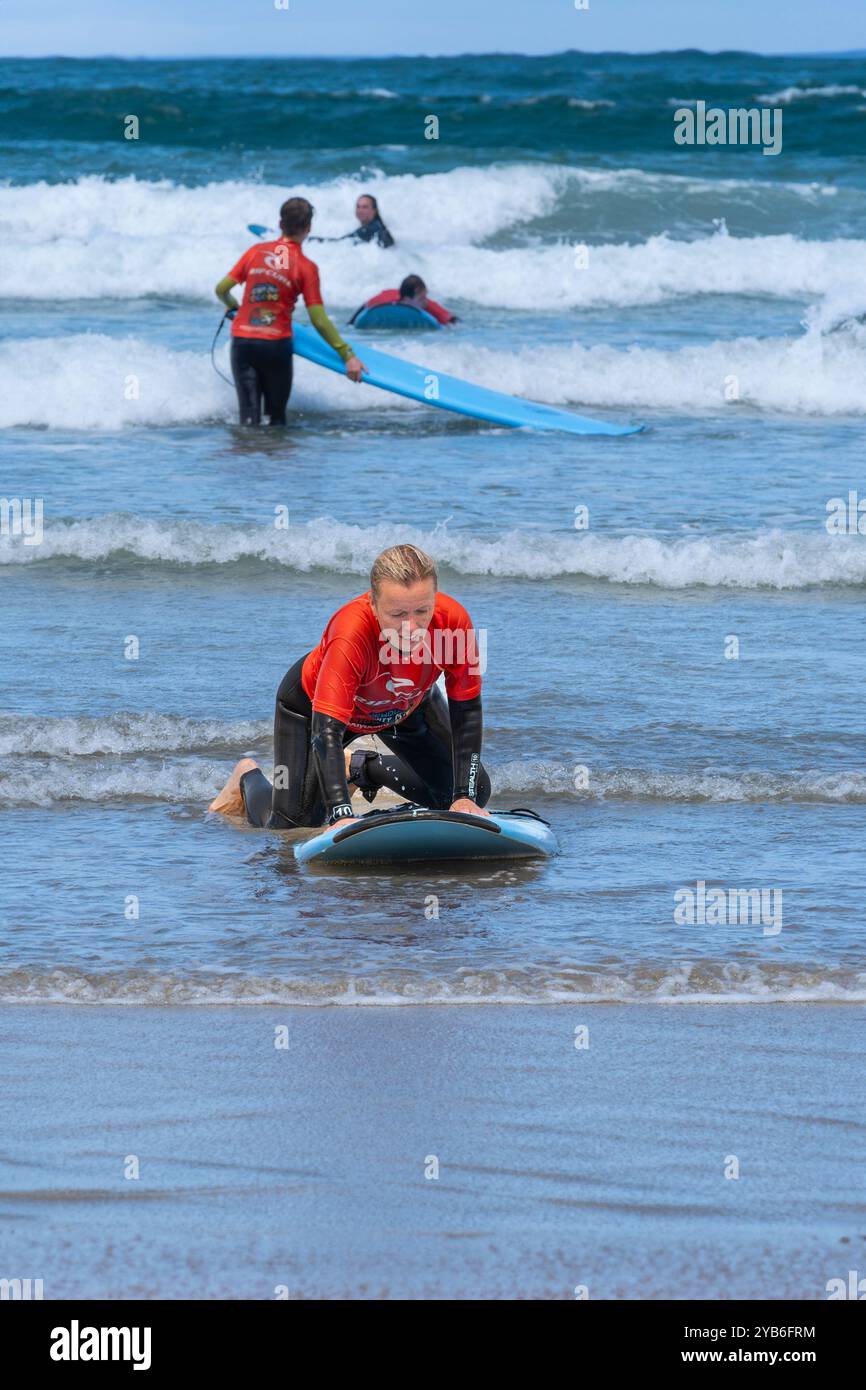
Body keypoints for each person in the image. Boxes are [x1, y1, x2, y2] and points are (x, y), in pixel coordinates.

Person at [208, 543, 491, 830]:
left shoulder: (452, 623)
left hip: (405, 704)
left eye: (422, 611)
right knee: (292, 823)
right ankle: (248, 776)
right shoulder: (350, 634)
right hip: (311, 710)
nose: (411, 628)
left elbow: (466, 711)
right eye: (396, 615)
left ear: (435, 599)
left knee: (472, 791)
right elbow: (326, 731)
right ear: (373, 604)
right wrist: (342, 812)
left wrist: (463, 797)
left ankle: (359, 768)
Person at [214, 196, 366, 426]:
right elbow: (319, 320)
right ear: (308, 228)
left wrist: (234, 305)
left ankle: (245, 461)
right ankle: (276, 461)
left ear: (280, 223)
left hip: (243, 340)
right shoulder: (306, 267)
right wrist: (347, 355)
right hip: (275, 345)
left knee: (248, 419)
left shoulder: (255, 252)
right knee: (276, 419)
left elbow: (221, 289)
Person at [349, 274, 458, 326]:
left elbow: (452, 320)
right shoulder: (384, 301)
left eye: (425, 296)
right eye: (421, 298)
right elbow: (363, 309)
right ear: (406, 299)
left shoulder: (427, 305)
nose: (425, 302)